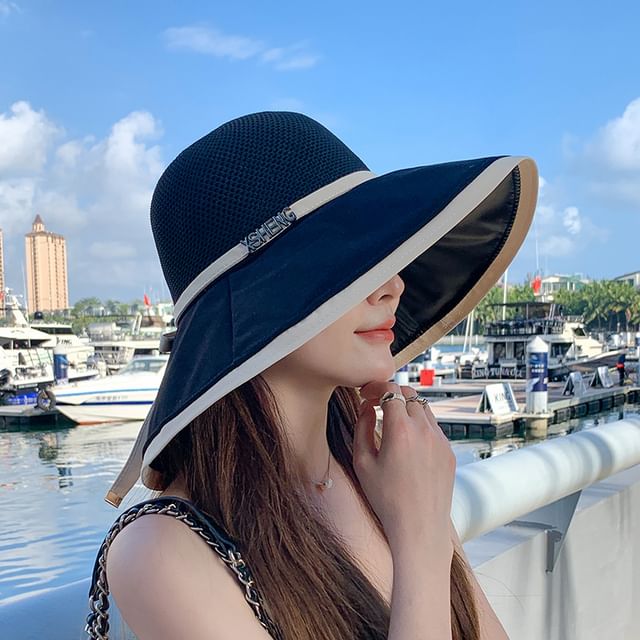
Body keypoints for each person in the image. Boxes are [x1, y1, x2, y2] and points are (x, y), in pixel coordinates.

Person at [88, 111, 538, 639]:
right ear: (260, 302)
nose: (393, 284)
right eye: (350, 265)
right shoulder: (163, 552)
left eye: (385, 256)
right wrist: (420, 539)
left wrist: (426, 520)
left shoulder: (388, 472)